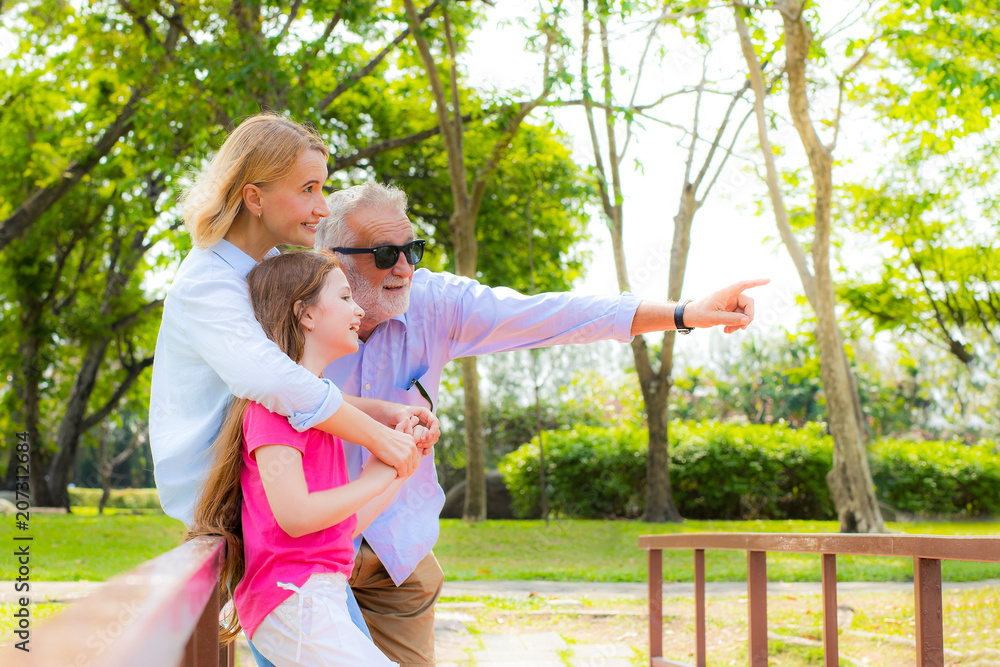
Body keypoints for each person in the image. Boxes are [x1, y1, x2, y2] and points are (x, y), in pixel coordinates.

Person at [313, 180, 769, 666]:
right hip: (307, 553)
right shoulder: (287, 311)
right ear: (331, 257)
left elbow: (552, 314)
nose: (404, 268)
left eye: (412, 250)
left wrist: (684, 313)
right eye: (385, 254)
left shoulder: (435, 302)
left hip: (394, 559)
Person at [147, 115, 437, 663]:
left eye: (322, 188)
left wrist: (388, 413)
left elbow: (295, 392)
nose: (322, 207)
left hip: (272, 530)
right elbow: (275, 384)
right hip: (237, 522)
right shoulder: (208, 282)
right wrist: (383, 439)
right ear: (254, 196)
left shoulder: (268, 271)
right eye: (309, 189)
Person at [189, 251, 414, 666]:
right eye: (345, 297)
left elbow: (340, 528)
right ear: (305, 314)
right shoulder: (275, 408)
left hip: (315, 597)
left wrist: (399, 467)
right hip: (294, 601)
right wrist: (377, 475)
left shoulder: (318, 409)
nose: (359, 309)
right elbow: (295, 515)